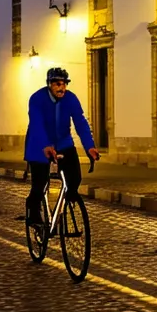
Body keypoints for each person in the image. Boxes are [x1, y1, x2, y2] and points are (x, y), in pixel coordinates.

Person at [24, 67, 100, 225]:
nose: (62, 88)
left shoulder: (71, 99)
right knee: (40, 184)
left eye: (64, 84)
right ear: (49, 84)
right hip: (39, 145)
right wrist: (45, 145)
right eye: (57, 84)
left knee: (75, 178)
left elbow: (80, 122)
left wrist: (89, 147)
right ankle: (33, 211)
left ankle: (63, 208)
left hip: (64, 143)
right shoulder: (37, 99)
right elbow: (37, 124)